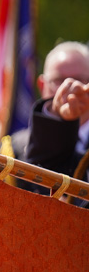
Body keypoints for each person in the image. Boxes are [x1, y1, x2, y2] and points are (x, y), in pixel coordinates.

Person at [25, 42, 89, 191]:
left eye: (80, 79)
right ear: (42, 85)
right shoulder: (17, 146)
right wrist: (57, 116)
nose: (70, 88)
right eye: (59, 80)